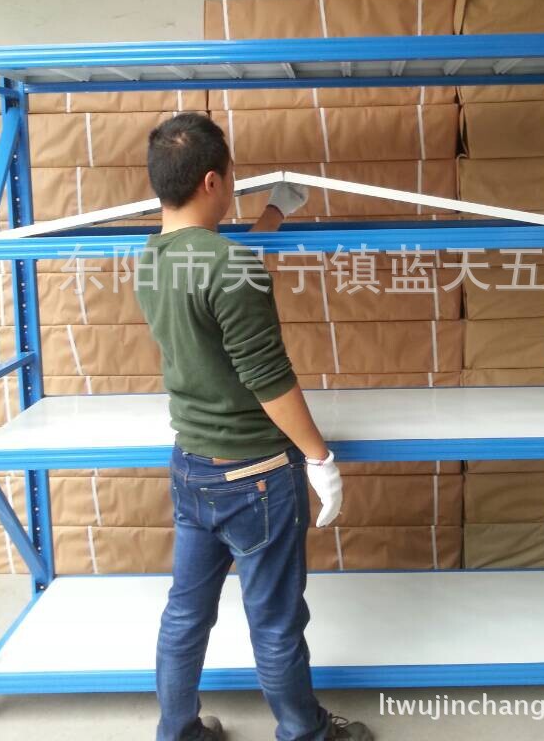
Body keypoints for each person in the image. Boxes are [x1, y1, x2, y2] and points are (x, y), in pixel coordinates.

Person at [135, 113, 374, 741]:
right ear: (213, 181)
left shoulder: (152, 258)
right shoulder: (227, 266)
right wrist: (320, 458)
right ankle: (304, 732)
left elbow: (215, 263)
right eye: (232, 177)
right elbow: (270, 380)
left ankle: (178, 730)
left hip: (192, 467)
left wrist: (273, 215)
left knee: (186, 614)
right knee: (274, 621)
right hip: (257, 477)